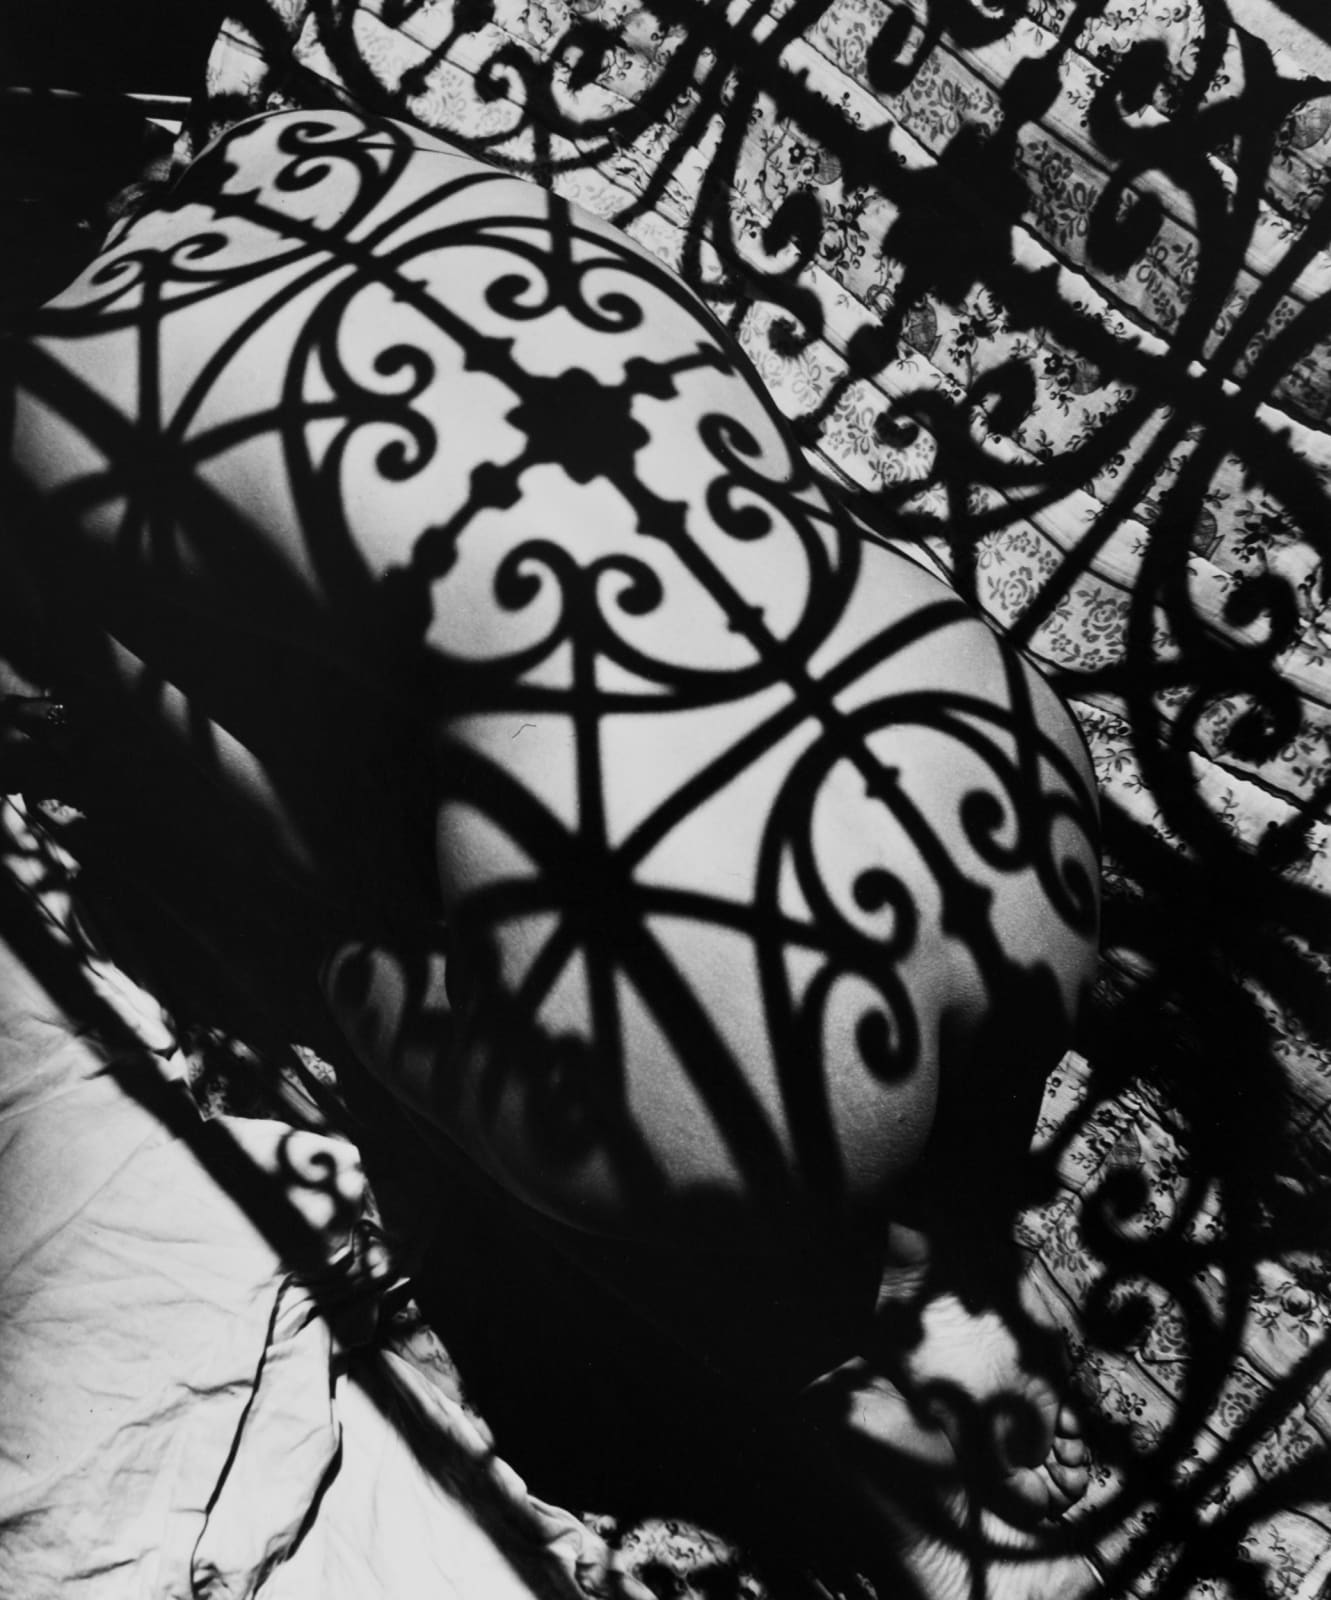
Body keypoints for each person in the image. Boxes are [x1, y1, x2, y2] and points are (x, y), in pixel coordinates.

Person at [4, 107, 1101, 1596]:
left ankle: (863, 1366)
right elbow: (359, 943)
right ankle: (938, 1325)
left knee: (377, 818)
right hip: (977, 743)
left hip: (703, 1039)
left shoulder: (78, 368)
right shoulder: (301, 163)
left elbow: (280, 807)